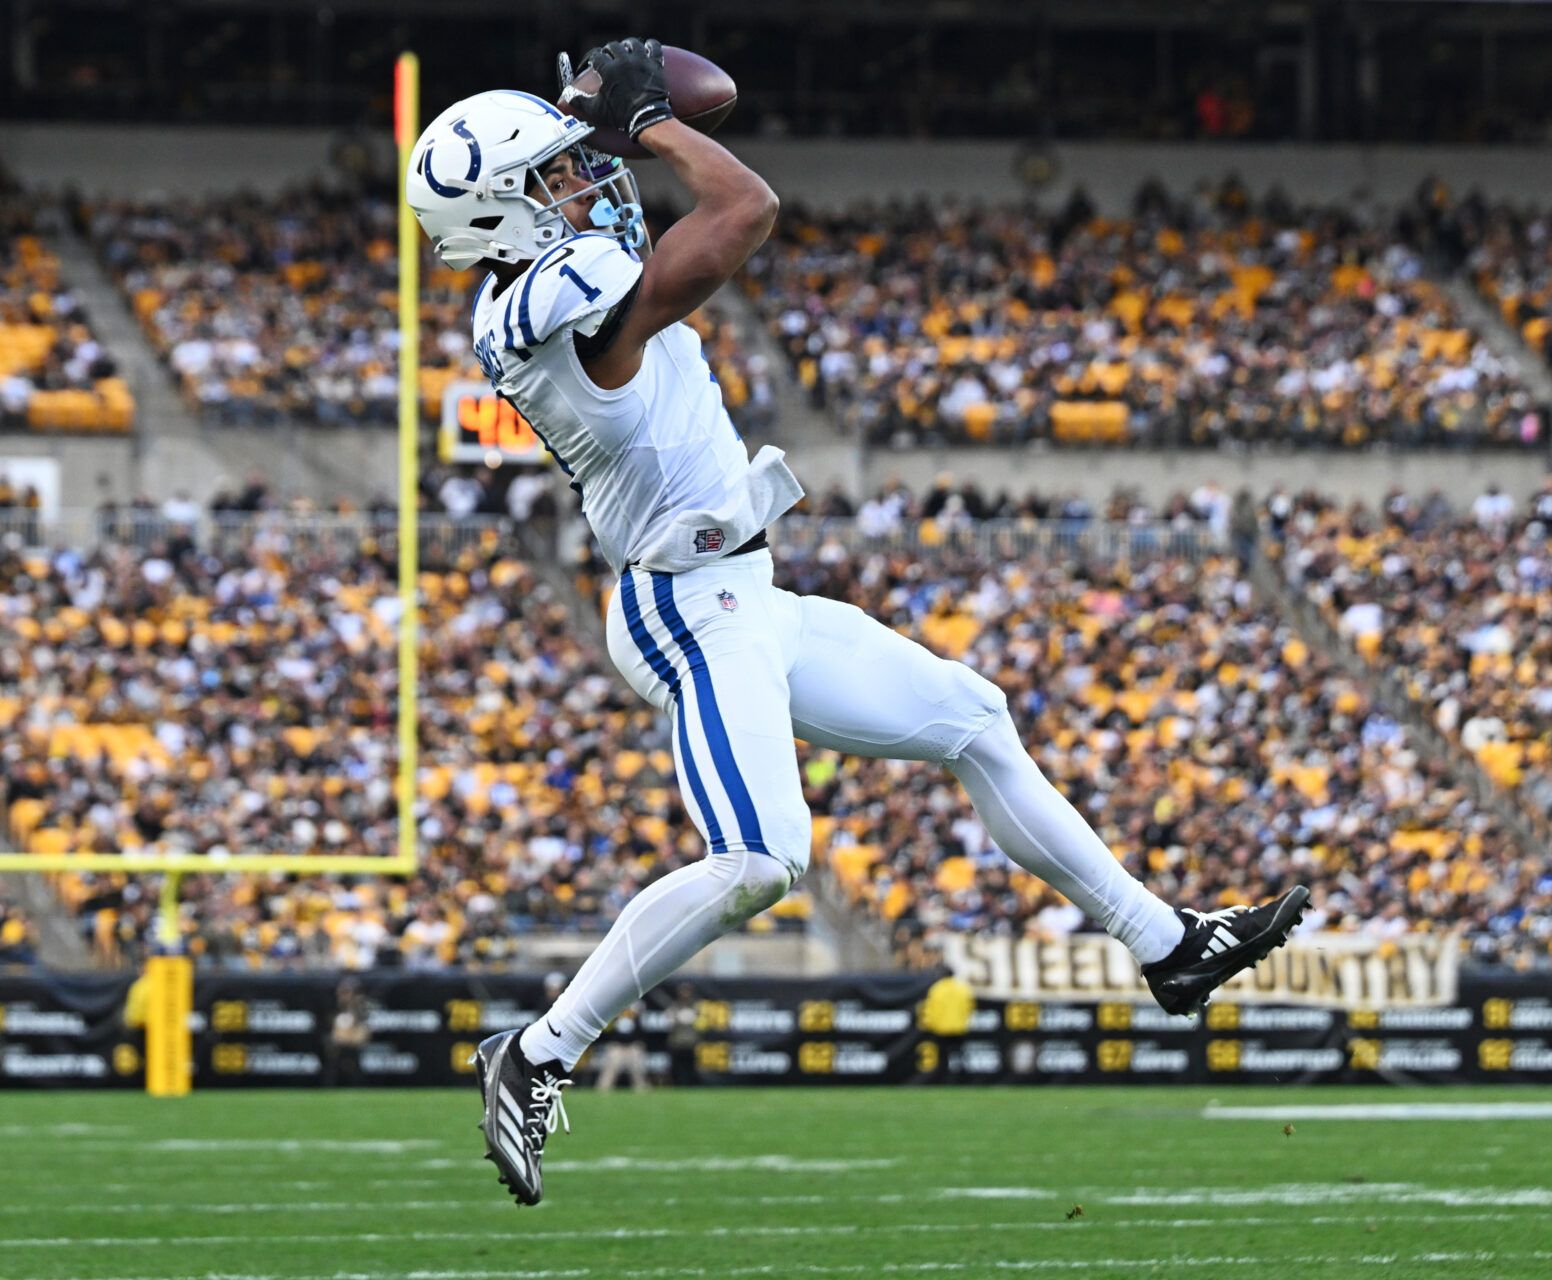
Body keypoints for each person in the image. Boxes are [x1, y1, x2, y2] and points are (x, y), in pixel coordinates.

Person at [409, 39, 1308, 1208]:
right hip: (686, 609)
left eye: (574, 170)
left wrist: (612, 118)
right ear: (496, 222)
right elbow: (744, 209)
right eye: (551, 182)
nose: (582, 187)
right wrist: (650, 126)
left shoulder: (560, 279)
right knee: (765, 859)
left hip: (748, 593)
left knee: (974, 716)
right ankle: (535, 1051)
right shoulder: (561, 309)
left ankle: (1166, 944)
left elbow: (700, 150)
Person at [594, 1004, 649, 1093]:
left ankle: (641, 1092)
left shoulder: (635, 1013)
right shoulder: (613, 1012)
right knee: (610, 1070)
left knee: (638, 1071)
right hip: (617, 1046)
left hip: (632, 1046)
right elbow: (607, 1031)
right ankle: (602, 1091)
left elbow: (641, 1031)